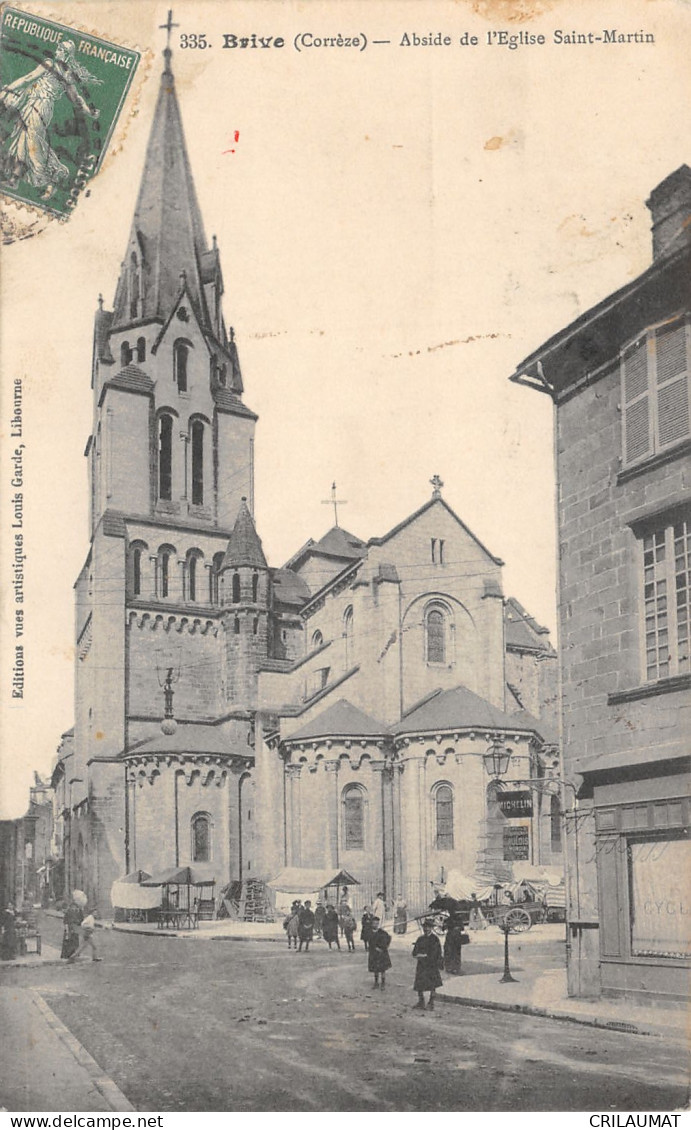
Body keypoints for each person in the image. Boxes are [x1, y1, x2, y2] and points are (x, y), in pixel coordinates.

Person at [0, 41, 102, 198]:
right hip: (32, 103)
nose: (58, 51)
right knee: (23, 141)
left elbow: (28, 79)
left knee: (33, 143)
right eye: (59, 48)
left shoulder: (58, 69)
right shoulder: (61, 71)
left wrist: (89, 111)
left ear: (67, 55)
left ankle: (54, 177)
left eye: (61, 49)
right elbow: (29, 79)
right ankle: (14, 179)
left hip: (41, 107)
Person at [412, 919, 443, 1010]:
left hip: (431, 965)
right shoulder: (420, 939)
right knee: (419, 984)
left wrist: (426, 956)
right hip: (421, 965)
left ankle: (431, 1002)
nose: (426, 929)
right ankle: (421, 1002)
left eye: (428, 927)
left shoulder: (434, 939)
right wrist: (418, 955)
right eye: (425, 927)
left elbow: (436, 953)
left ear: (431, 928)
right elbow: (414, 952)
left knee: (432, 984)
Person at [367, 916, 391, 990]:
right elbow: (369, 942)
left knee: (382, 969)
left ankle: (383, 984)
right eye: (374, 923)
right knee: (375, 969)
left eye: (377, 923)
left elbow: (389, 938)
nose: (375, 925)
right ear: (371, 924)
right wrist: (374, 948)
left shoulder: (382, 932)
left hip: (382, 953)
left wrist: (385, 947)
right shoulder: (370, 933)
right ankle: (376, 983)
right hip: (374, 953)